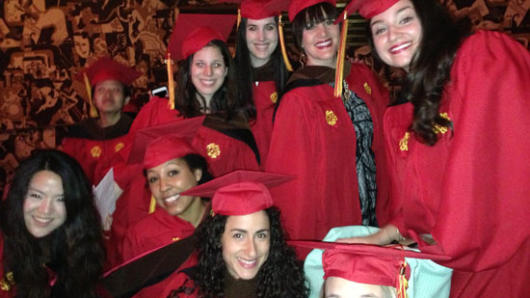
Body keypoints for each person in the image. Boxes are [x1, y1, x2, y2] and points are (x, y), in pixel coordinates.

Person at [339, 0, 530, 297]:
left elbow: (504, 170)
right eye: (380, 28)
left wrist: (436, 248)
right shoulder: (400, 115)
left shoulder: (480, 57)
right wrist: (379, 237)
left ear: (429, 17)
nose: (392, 35)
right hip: (447, 269)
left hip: (506, 261)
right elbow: (411, 212)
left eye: (404, 19)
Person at [265, 0, 390, 254]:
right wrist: (300, 251)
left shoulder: (362, 76)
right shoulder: (297, 100)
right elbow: (293, 189)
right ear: (299, 39)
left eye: (328, 22)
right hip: (336, 231)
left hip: (381, 223)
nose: (322, 33)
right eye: (310, 27)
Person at [127, 14, 260, 177]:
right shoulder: (158, 113)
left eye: (216, 64)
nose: (208, 72)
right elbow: (131, 173)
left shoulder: (237, 126)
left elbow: (246, 184)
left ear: (226, 70)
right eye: (200, 64)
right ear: (188, 70)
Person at [161, 170, 309, 298]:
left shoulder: (289, 286)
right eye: (239, 235)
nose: (252, 251)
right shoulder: (188, 289)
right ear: (218, 237)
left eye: (261, 235)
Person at [0, 150, 106, 297]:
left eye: (60, 199)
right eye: (36, 195)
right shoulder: (4, 246)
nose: (45, 210)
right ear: (20, 195)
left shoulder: (79, 248)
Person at [61, 57, 141, 185]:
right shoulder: (78, 137)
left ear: (126, 99)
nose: (108, 95)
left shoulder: (137, 133)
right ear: (93, 100)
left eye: (115, 90)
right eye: (101, 90)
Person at [234, 0, 291, 165]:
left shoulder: (294, 81)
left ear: (279, 30)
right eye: (253, 28)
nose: (262, 37)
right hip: (240, 184)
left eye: (269, 27)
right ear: (242, 32)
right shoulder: (226, 80)